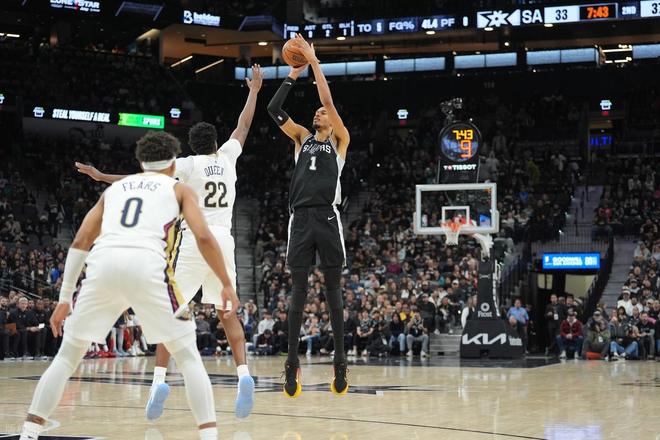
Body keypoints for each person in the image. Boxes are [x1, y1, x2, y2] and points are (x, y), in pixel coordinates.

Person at [18, 131, 239, 440]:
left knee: (67, 356)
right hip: (149, 267)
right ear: (173, 164)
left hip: (103, 266)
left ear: (140, 162)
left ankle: (29, 432)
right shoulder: (179, 189)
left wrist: (65, 297)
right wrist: (226, 283)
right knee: (188, 357)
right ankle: (209, 436)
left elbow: (81, 241)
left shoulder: (116, 190)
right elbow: (203, 237)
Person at [75, 65, 263, 419]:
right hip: (224, 242)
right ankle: (243, 375)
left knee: (170, 312)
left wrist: (102, 177)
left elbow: (144, 178)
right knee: (227, 314)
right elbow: (243, 126)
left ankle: (159, 381)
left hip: (195, 242)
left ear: (192, 146)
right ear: (215, 142)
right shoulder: (228, 157)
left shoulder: (188, 165)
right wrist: (253, 91)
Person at [267, 34, 350, 397]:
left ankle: (340, 363)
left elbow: (328, 100)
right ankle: (291, 365)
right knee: (298, 293)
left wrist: (314, 61)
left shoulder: (339, 140)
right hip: (300, 218)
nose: (318, 113)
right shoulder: (301, 137)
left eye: (322, 112)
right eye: (316, 111)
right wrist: (294, 73)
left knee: (333, 292)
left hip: (328, 217)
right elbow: (273, 109)